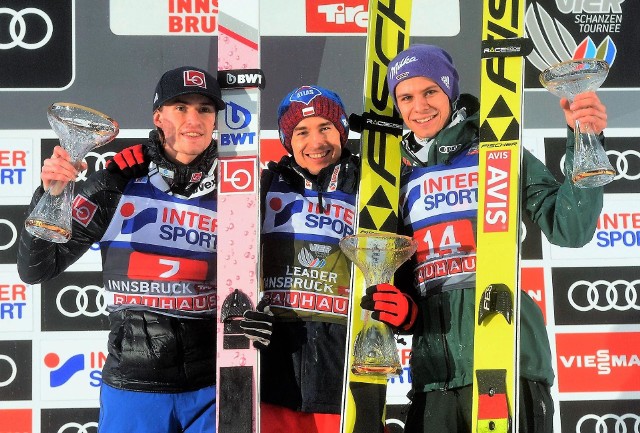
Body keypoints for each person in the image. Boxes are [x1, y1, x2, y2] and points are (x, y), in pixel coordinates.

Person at [360, 44, 607, 433]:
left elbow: (570, 228)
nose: (419, 107)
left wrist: (584, 139)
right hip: (434, 374)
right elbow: (402, 287)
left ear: (449, 92)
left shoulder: (496, 149)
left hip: (510, 355)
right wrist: (402, 311)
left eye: (430, 92)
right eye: (406, 97)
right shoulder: (393, 175)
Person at [17, 66, 226, 433]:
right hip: (134, 387)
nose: (194, 120)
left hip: (214, 387)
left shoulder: (239, 188)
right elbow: (37, 269)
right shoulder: (116, 182)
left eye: (205, 109)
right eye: (181, 107)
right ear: (158, 116)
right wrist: (50, 196)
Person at [239, 85, 357, 433]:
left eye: (326, 128)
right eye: (302, 132)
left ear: (343, 131)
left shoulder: (371, 187)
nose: (316, 142)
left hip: (343, 371)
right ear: (287, 141)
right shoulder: (259, 187)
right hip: (274, 370)